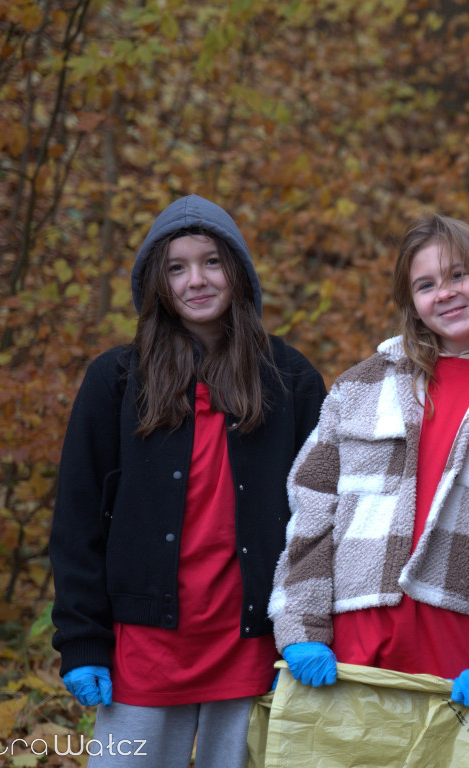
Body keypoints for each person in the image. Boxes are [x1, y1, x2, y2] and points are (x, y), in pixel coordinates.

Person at [49, 195, 327, 767]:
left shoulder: (290, 379)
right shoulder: (116, 381)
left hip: (254, 646)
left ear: (239, 272)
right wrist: (82, 642)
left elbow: (322, 522)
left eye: (211, 262)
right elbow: (77, 522)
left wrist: (315, 631)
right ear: (157, 281)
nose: (195, 280)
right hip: (144, 649)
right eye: (176, 267)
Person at [268, 214, 469, 708]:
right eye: (425, 285)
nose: (444, 293)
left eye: (458, 275)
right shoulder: (362, 387)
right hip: (352, 652)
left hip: (461, 655)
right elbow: (312, 514)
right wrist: (301, 625)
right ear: (411, 302)